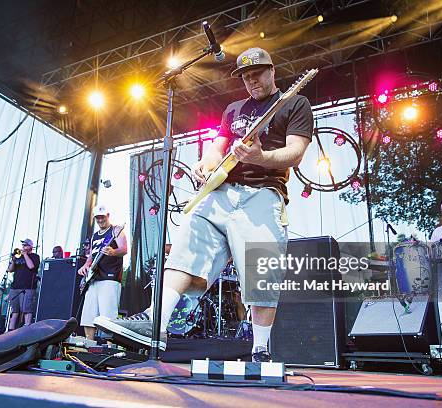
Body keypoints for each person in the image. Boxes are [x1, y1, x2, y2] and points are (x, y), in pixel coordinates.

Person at [95, 47, 313, 362]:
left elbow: (295, 151)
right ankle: (155, 322)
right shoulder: (234, 109)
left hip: (263, 193)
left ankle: (261, 349)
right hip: (220, 193)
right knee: (187, 245)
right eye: (246, 76)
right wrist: (205, 164)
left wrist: (261, 157)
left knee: (261, 269)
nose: (252, 80)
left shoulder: (294, 103)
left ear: (272, 71)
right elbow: (218, 148)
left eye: (258, 73)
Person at [77, 205, 127, 340]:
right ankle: (89, 343)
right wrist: (86, 266)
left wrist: (113, 251)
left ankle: (110, 346)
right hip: (94, 278)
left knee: (108, 314)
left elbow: (124, 249)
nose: (100, 220)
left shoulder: (116, 230)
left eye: (102, 217)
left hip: (110, 278)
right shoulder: (94, 236)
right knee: (88, 313)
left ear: (108, 216)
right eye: (97, 218)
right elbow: (91, 257)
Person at [7, 238, 40, 330]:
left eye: (25, 245)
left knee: (26, 309)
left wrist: (25, 255)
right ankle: (10, 331)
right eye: (23, 245)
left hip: (28, 287)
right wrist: (13, 260)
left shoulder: (35, 256)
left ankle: (27, 329)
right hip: (15, 287)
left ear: (30, 247)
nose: (23, 247)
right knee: (14, 310)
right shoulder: (18, 257)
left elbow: (31, 266)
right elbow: (10, 270)